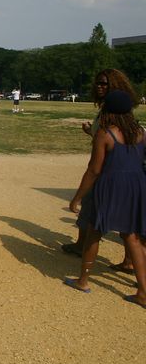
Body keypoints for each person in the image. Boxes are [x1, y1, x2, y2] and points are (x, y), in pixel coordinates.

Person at [63, 90, 146, 308]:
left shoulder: (105, 134)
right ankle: (143, 291)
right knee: (132, 237)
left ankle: (83, 280)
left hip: (111, 186)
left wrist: (77, 198)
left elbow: (94, 170)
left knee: (94, 232)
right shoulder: (140, 132)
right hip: (136, 186)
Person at [64, 68, 140, 273]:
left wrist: (76, 197)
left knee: (92, 214)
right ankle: (128, 261)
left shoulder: (116, 112)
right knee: (125, 223)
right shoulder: (111, 110)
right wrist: (92, 133)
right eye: (98, 82)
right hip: (116, 173)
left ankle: (85, 260)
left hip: (107, 174)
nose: (99, 86)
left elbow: (116, 143)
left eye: (104, 83)